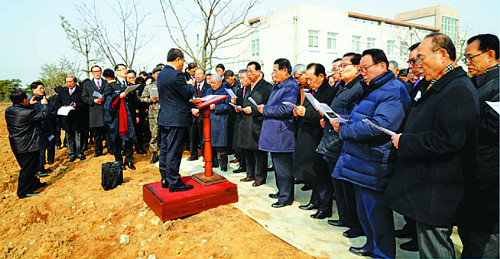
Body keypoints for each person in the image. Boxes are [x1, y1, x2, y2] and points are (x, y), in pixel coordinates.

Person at [385, 33, 479, 258]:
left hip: (439, 188)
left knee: (435, 247)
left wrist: (405, 140)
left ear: (443, 55)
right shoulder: (438, 85)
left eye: (421, 58)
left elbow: (449, 139)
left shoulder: (458, 89)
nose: (418, 65)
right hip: (427, 183)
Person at [332, 48, 410, 258]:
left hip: (375, 161)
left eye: (365, 68)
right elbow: (363, 117)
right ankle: (371, 246)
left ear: (382, 66)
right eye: (360, 68)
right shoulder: (372, 88)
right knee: (365, 212)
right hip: (361, 159)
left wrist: (345, 130)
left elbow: (379, 126)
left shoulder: (394, 90)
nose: (362, 72)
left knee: (377, 213)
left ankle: (383, 253)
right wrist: (343, 121)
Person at [457, 33, 499, 259]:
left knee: (486, 238)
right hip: (470, 170)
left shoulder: (498, 85)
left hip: (489, 173)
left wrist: (460, 120)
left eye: (471, 58)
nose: (468, 64)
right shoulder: (474, 82)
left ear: (491, 55)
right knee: (469, 232)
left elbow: (495, 127)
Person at [317, 53, 365, 238]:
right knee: (339, 184)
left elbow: (356, 114)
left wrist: (340, 122)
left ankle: (355, 223)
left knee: (348, 186)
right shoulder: (344, 86)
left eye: (344, 66)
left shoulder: (360, 87)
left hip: (344, 139)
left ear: (357, 68)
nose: (340, 69)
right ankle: (345, 218)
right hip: (334, 138)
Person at [292, 63, 336, 219]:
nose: (308, 82)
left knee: (322, 174)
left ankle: (325, 207)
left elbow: (326, 116)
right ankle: (315, 200)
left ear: (321, 76)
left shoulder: (330, 92)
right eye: (307, 79)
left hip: (319, 136)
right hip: (308, 136)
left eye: (311, 79)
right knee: (313, 172)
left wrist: (306, 113)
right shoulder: (311, 92)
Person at [258, 58, 299, 207]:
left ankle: (286, 197)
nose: (273, 74)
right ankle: (282, 191)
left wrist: (265, 109)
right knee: (277, 164)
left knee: (283, 166)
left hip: (282, 132)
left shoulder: (291, 87)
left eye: (275, 70)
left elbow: (286, 109)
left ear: (285, 70)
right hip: (274, 130)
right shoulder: (279, 86)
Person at [156, 48, 196, 192]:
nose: (182, 65)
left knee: (165, 149)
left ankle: (165, 178)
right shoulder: (176, 75)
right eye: (182, 62)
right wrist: (191, 86)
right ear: (178, 59)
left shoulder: (160, 75)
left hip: (165, 117)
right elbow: (186, 93)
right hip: (176, 118)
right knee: (174, 151)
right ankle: (174, 182)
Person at [6, 89, 49, 199]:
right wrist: (44, 105)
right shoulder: (28, 113)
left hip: (16, 143)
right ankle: (23, 192)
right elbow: (43, 115)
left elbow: (22, 113)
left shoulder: (9, 109)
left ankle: (34, 184)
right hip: (27, 145)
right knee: (28, 168)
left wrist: (28, 105)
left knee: (29, 166)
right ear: (24, 100)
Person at [238, 61, 272, 186]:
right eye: (248, 72)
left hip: (258, 123)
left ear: (259, 72)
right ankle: (250, 174)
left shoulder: (267, 87)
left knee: (259, 151)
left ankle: (260, 176)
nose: (249, 74)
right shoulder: (247, 87)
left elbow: (268, 105)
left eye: (251, 71)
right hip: (246, 122)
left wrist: (253, 110)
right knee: (248, 149)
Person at [104, 64, 138, 170]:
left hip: (129, 115)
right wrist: (118, 97)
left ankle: (129, 159)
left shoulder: (129, 84)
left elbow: (134, 102)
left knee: (129, 138)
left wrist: (136, 114)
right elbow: (107, 100)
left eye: (125, 69)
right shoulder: (111, 85)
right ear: (116, 72)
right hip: (116, 116)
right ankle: (118, 160)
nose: (124, 71)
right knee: (117, 139)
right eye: (122, 69)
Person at [200, 74, 230, 171]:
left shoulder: (225, 92)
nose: (212, 85)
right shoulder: (208, 91)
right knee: (209, 143)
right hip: (209, 120)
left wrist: (216, 107)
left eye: (214, 83)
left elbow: (228, 107)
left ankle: (223, 165)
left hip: (220, 120)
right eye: (211, 83)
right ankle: (213, 162)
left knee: (221, 145)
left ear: (220, 82)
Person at [82, 65, 108, 157]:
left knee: (108, 132)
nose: (97, 73)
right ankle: (98, 151)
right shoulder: (87, 85)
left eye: (98, 71)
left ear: (101, 72)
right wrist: (93, 100)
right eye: (95, 71)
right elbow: (84, 98)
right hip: (94, 111)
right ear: (92, 73)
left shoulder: (106, 83)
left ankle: (110, 148)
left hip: (105, 110)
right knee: (97, 134)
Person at [59, 75, 86, 162]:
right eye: (67, 82)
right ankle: (72, 153)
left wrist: (77, 105)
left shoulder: (81, 91)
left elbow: (85, 103)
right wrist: (61, 107)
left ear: (75, 82)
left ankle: (80, 152)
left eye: (70, 82)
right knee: (69, 136)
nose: (69, 84)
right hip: (66, 118)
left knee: (79, 136)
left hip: (78, 117)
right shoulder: (62, 91)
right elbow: (58, 103)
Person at [29, 82, 53, 177]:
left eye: (43, 88)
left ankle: (41, 166)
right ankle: (39, 169)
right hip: (37, 128)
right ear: (33, 90)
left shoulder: (43, 99)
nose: (42, 90)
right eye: (40, 88)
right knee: (40, 149)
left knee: (44, 148)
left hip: (45, 127)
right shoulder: (32, 101)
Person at [140, 66, 162, 164]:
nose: (159, 75)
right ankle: (154, 154)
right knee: (154, 134)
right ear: (153, 75)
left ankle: (165, 153)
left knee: (166, 134)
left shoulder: (167, 86)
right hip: (154, 114)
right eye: (157, 73)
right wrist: (150, 100)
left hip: (166, 113)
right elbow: (142, 98)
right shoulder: (149, 87)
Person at [187, 68, 209, 161]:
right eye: (196, 74)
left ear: (204, 76)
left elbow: (208, 100)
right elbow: (188, 99)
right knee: (192, 135)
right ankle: (193, 154)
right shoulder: (190, 87)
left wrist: (199, 110)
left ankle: (204, 154)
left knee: (203, 135)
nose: (198, 76)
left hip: (202, 114)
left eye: (200, 74)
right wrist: (192, 109)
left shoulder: (208, 87)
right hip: (192, 114)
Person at [231, 70, 250, 173]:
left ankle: (248, 167)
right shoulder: (239, 91)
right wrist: (235, 105)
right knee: (239, 144)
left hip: (249, 121)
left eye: (243, 78)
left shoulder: (250, 90)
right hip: (240, 119)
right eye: (240, 78)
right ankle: (242, 165)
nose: (241, 80)